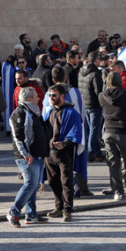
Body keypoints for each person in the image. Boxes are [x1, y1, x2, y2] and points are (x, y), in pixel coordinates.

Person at [7, 86, 51, 227]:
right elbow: (19, 136)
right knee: (30, 184)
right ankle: (13, 212)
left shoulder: (32, 112)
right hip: (27, 155)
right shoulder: (20, 113)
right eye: (37, 96)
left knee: (33, 185)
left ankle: (31, 215)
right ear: (29, 99)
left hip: (36, 154)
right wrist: (26, 153)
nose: (39, 98)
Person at [98, 71, 126, 200]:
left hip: (109, 131)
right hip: (125, 131)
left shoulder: (101, 96)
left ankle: (117, 191)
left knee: (113, 163)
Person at [45, 83, 83, 222]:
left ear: (62, 96)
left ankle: (67, 209)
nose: (51, 98)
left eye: (54, 95)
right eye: (49, 95)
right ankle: (59, 206)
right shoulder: (50, 111)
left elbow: (76, 132)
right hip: (50, 152)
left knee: (66, 181)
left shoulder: (71, 112)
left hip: (64, 152)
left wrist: (64, 143)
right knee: (52, 181)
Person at [78, 51, 106, 162]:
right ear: (95, 60)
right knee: (94, 130)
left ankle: (95, 150)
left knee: (91, 129)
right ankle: (92, 152)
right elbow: (98, 91)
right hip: (94, 105)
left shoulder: (81, 71)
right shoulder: (95, 73)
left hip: (85, 104)